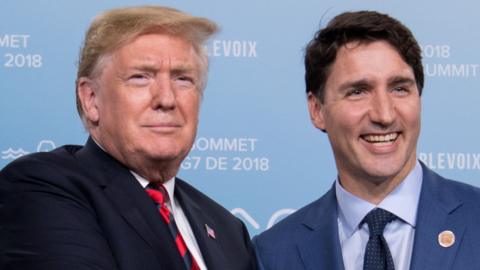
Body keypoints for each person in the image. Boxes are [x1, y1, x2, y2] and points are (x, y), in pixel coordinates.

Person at [0, 6, 257, 270]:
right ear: (91, 99)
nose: (166, 99)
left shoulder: (228, 230)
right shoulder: (41, 188)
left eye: (182, 79)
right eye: (140, 77)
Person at [253, 10, 480, 270]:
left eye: (399, 88)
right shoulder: (273, 254)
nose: (383, 114)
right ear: (317, 110)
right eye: (358, 91)